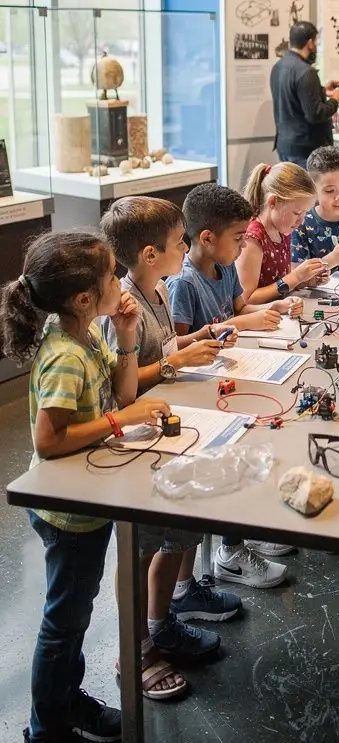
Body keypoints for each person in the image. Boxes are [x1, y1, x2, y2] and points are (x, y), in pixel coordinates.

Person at [0, 231, 178, 743]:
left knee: (75, 613)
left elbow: (122, 395)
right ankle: (43, 740)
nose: (116, 282)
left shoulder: (86, 333)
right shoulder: (63, 355)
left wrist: (126, 338)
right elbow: (50, 440)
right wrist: (120, 424)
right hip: (67, 513)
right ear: (83, 297)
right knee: (63, 621)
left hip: (89, 500)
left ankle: (68, 703)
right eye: (108, 277)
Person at [100, 197, 244, 644]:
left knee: (184, 523)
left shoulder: (160, 289)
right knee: (147, 544)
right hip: (139, 436)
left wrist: (198, 337)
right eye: (179, 243)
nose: (185, 251)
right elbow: (120, 384)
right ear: (150, 254)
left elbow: (165, 347)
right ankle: (147, 637)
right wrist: (173, 363)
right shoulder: (125, 310)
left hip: (169, 419)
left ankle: (174, 606)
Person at [167, 183, 298, 589]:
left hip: (230, 376)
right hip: (197, 391)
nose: (244, 247)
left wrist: (268, 307)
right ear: (207, 237)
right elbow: (179, 346)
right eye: (239, 238)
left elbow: (239, 308)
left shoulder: (222, 270)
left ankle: (244, 531)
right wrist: (239, 324)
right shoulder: (184, 284)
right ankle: (231, 549)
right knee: (227, 455)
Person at [237, 162, 329, 304]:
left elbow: (279, 281)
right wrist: (295, 278)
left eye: (305, 213)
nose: (301, 221)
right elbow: (247, 299)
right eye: (297, 213)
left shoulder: (282, 230)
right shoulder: (252, 239)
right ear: (273, 202)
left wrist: (305, 280)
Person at [270, 21, 339, 167]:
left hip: (285, 145)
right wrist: (335, 99)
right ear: (310, 43)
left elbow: (294, 97)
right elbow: (315, 114)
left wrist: (321, 91)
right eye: (316, 43)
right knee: (307, 190)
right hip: (306, 151)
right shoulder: (307, 72)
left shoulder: (278, 67)